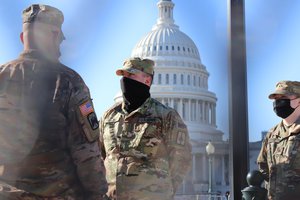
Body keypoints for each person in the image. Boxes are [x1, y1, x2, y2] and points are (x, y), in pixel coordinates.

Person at [0, 4, 107, 199]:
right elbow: (86, 153)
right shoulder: (70, 81)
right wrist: (99, 194)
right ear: (54, 35)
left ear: (23, 38)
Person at [99, 57, 192, 200]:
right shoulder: (109, 117)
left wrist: (162, 191)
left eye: (131, 75)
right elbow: (100, 156)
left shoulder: (165, 116)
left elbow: (181, 158)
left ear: (147, 81)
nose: (125, 80)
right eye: (124, 76)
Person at [257, 80, 300, 200]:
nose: (278, 102)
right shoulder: (272, 134)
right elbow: (263, 165)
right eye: (276, 98)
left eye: (284, 97)